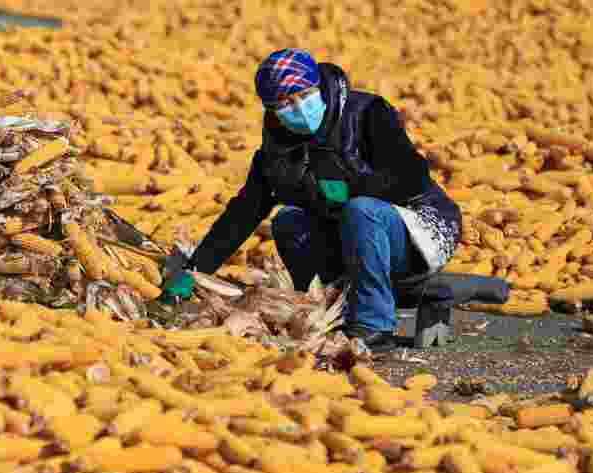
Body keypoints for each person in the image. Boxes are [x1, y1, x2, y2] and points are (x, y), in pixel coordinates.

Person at [162, 48, 463, 352]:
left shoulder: (367, 113)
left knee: (362, 211)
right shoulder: (276, 152)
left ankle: (373, 325)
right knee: (288, 221)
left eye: (304, 96)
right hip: (349, 226)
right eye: (285, 104)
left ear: (318, 86)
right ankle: (331, 310)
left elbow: (413, 177)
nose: (298, 108)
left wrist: (351, 189)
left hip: (419, 225)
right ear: (271, 110)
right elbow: (243, 213)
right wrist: (196, 270)